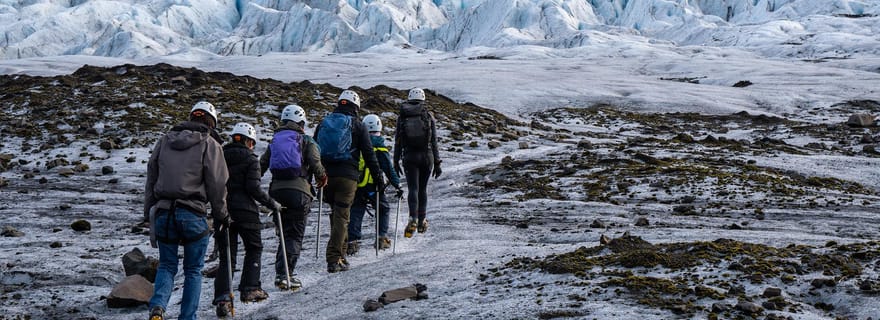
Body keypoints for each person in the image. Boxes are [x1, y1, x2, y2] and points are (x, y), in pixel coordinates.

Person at [145, 101, 229, 320]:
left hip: (164, 211)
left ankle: (158, 307)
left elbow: (151, 176)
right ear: (212, 122)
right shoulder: (210, 144)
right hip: (193, 213)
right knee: (193, 270)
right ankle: (187, 317)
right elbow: (217, 183)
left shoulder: (164, 141)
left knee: (167, 264)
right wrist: (221, 214)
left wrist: (149, 212)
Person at [213, 122, 280, 316]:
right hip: (246, 212)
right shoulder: (251, 159)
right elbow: (253, 189)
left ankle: (223, 299)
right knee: (254, 248)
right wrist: (271, 203)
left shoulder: (220, 156)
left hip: (223, 211)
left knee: (227, 256)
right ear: (249, 141)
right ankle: (250, 288)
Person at [314, 90, 384, 273]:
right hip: (348, 176)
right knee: (342, 216)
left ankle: (341, 255)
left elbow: (313, 149)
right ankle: (335, 258)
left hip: (326, 176)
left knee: (337, 215)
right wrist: (378, 177)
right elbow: (369, 154)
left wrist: (313, 175)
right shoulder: (357, 125)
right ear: (356, 107)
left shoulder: (324, 123)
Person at [260, 104, 327, 288]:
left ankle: (281, 273)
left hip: (276, 193)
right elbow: (315, 163)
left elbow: (261, 166)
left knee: (284, 233)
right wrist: (322, 177)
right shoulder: (306, 140)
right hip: (299, 192)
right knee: (294, 235)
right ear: (301, 123)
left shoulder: (275, 140)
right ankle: (285, 275)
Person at [347, 114, 402, 254]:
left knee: (356, 210)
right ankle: (381, 238)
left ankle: (352, 242)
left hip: (357, 184)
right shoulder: (380, 148)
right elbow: (389, 169)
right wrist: (398, 185)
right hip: (374, 186)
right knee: (383, 209)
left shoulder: (356, 144)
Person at [393, 88, 441, 238]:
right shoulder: (428, 115)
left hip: (409, 156)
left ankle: (412, 218)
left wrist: (395, 161)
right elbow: (434, 142)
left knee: (413, 188)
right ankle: (422, 221)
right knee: (423, 189)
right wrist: (437, 163)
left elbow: (398, 141)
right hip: (427, 157)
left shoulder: (402, 116)